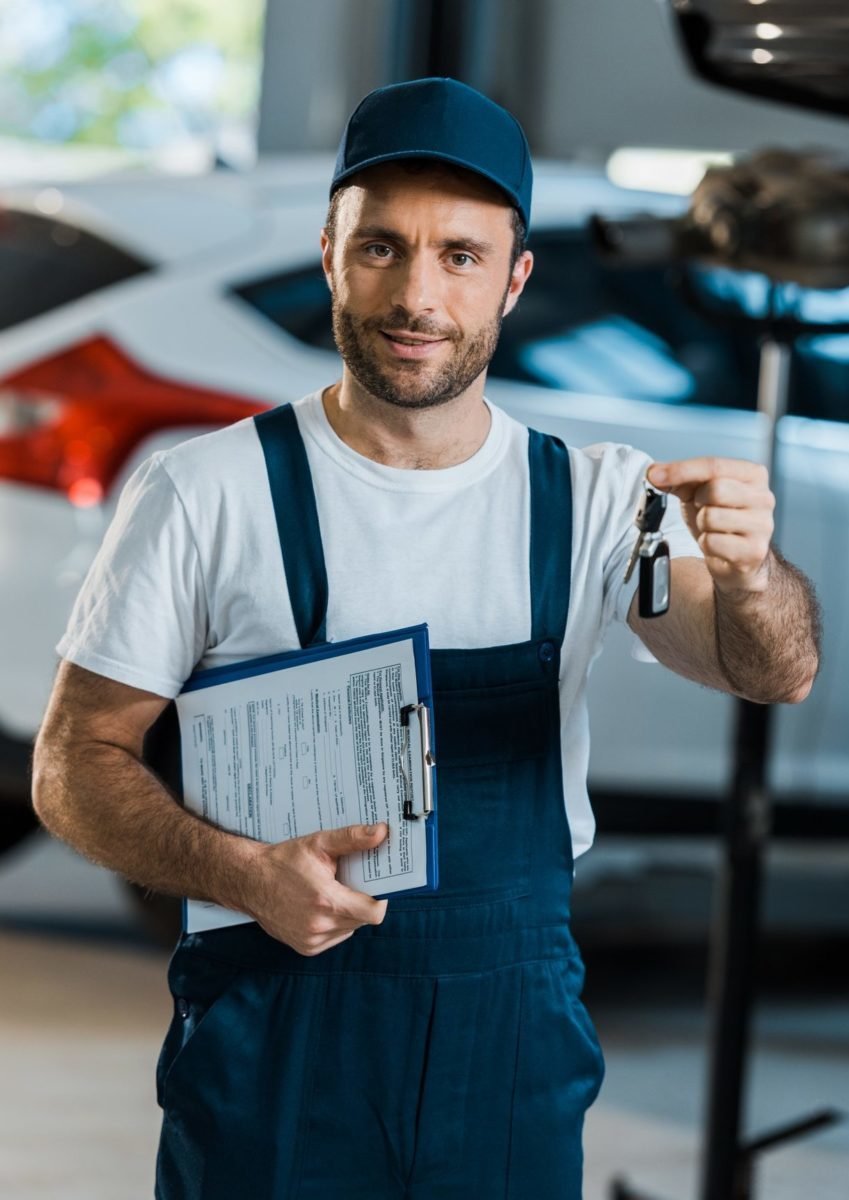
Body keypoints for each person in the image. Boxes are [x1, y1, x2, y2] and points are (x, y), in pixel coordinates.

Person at [33, 78, 820, 1199]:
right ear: (330, 255)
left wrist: (747, 573)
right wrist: (239, 871)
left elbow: (769, 669)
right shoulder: (210, 491)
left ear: (515, 278)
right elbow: (73, 765)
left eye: (460, 255)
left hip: (511, 1035)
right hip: (276, 1028)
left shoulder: (592, 499)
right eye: (383, 248)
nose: (417, 294)